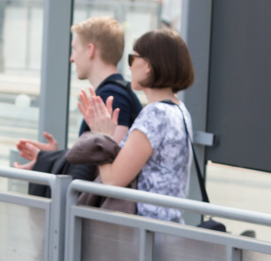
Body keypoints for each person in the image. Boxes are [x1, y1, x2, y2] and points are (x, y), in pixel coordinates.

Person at [76, 27, 195, 222]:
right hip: (167, 230)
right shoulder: (179, 110)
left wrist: (102, 135)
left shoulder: (154, 114)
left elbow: (113, 181)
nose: (129, 67)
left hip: (144, 236)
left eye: (132, 59)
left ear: (148, 65)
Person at [14, 16, 140, 168]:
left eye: (74, 49)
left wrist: (50, 161)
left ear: (90, 50)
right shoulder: (117, 92)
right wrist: (54, 156)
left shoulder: (111, 97)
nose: (71, 58)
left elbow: (109, 162)